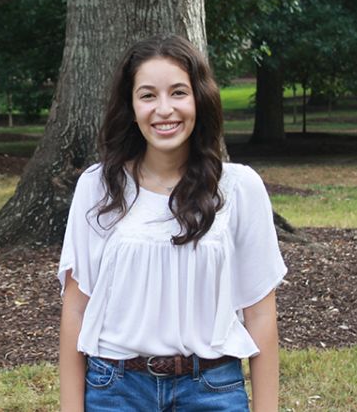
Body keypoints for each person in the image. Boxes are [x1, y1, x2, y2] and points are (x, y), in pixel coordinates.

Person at [58, 35, 287, 411]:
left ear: (199, 99)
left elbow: (260, 314)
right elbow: (75, 310)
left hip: (212, 390)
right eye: (148, 95)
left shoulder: (239, 188)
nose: (164, 109)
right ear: (131, 108)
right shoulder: (97, 187)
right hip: (115, 390)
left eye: (178, 92)